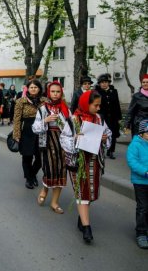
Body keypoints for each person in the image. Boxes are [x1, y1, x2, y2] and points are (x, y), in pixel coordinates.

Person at [60, 90, 112, 244]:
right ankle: (87, 228)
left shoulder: (100, 120)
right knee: (82, 193)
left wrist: (104, 139)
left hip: (95, 162)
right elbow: (64, 140)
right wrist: (76, 140)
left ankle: (82, 218)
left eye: (99, 105)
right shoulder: (73, 120)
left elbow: (108, 135)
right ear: (85, 104)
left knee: (90, 192)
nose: (98, 108)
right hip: (78, 163)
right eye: (95, 105)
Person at [32, 82, 70, 214]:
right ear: (48, 92)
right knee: (49, 169)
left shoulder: (65, 108)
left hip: (62, 142)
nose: (55, 94)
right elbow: (35, 128)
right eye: (53, 91)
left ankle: (55, 202)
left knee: (61, 171)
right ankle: (45, 188)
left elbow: (72, 127)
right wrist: (45, 120)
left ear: (61, 93)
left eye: (58, 92)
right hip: (47, 141)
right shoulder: (43, 108)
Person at [12, 79, 46, 189]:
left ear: (39, 89)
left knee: (40, 158)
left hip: (41, 131)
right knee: (27, 156)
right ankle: (29, 179)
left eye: (35, 87)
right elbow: (17, 119)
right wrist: (16, 135)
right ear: (28, 88)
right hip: (27, 130)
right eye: (31, 87)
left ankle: (32, 174)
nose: (33, 89)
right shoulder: (21, 101)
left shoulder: (45, 101)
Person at [126, 119, 148, 249]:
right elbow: (132, 161)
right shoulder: (135, 144)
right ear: (142, 133)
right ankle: (141, 232)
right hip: (140, 181)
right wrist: (145, 172)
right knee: (143, 207)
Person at [95, 74, 121, 159]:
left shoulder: (114, 91)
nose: (104, 84)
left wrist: (119, 118)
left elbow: (117, 104)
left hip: (113, 117)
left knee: (112, 134)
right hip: (102, 117)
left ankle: (111, 151)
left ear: (108, 83)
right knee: (102, 134)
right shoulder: (97, 92)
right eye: (102, 82)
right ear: (99, 84)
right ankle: (102, 150)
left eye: (105, 82)